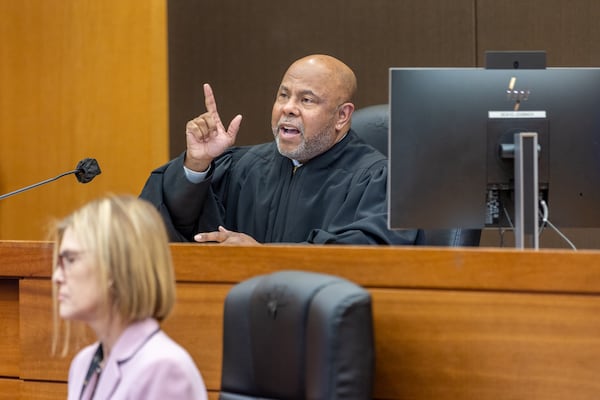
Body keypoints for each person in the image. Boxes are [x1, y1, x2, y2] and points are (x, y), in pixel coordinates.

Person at [140, 54, 417, 245]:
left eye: (306, 100)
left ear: (342, 116)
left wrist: (263, 258)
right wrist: (196, 165)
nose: (288, 108)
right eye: (283, 95)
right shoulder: (242, 168)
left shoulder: (375, 181)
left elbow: (369, 255)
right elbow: (169, 225)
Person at [51, 195, 208, 400]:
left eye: (70, 260)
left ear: (115, 268)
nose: (56, 277)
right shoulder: (84, 363)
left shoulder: (164, 368)